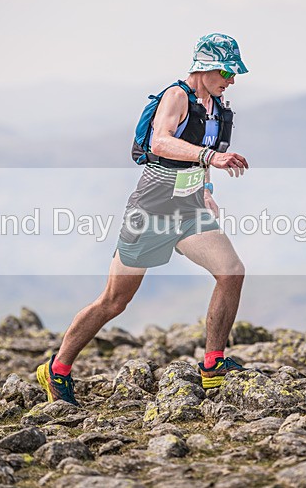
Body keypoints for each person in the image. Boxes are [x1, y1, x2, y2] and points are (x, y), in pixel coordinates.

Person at [36, 33, 250, 406]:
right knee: (114, 302)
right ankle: (57, 369)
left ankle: (213, 365)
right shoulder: (177, 95)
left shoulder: (216, 108)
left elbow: (199, 155)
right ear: (206, 65)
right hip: (151, 209)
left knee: (231, 271)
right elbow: (161, 143)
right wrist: (209, 159)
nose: (232, 80)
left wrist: (206, 190)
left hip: (188, 210)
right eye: (228, 71)